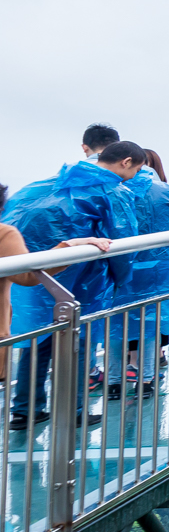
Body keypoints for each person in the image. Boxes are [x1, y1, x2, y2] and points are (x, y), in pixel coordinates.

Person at [4, 141, 146, 428]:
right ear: (127, 162)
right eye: (138, 169)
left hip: (37, 274)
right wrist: (121, 280)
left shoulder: (52, 181)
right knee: (79, 343)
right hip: (82, 280)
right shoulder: (112, 191)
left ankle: (24, 409)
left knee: (39, 339)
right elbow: (122, 243)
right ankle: (75, 410)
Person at [110, 150, 169, 397]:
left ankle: (115, 382)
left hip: (120, 267)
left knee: (115, 324)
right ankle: (146, 381)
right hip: (158, 270)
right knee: (150, 324)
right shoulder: (166, 191)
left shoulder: (115, 190)